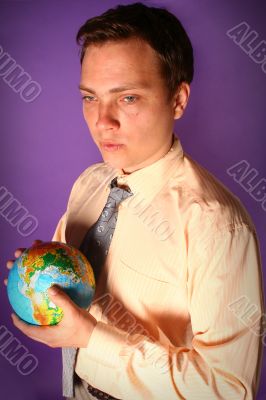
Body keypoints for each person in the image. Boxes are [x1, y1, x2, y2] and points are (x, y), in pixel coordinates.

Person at [5, 2, 265, 399]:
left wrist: (92, 340)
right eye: (90, 97)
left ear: (178, 100)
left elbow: (228, 390)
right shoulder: (90, 184)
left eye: (127, 98)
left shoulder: (217, 225)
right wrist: (40, 275)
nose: (102, 120)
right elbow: (73, 283)